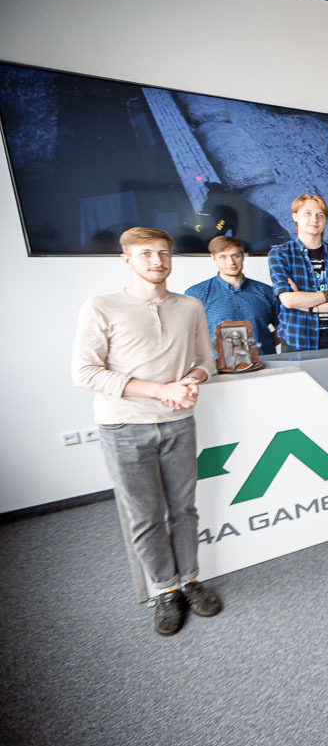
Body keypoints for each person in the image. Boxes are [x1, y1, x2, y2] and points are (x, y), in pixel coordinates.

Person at [72, 227, 220, 636]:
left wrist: (192, 379)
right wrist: (160, 389)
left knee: (183, 509)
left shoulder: (190, 306)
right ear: (127, 260)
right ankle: (164, 590)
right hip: (124, 426)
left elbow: (206, 360)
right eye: (146, 254)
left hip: (178, 423)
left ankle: (189, 580)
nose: (158, 260)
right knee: (145, 516)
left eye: (164, 253)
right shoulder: (101, 307)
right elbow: (85, 372)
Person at [268, 193, 328, 352]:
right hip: (297, 341)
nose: (314, 219)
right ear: (295, 216)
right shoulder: (280, 254)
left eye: (320, 215)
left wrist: (307, 304)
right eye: (308, 213)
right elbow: (289, 300)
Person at [186, 235, 279, 357]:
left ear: (242, 256)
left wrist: (264, 345)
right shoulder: (196, 294)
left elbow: (282, 328)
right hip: (217, 365)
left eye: (235, 255)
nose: (231, 262)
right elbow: (187, 334)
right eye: (223, 257)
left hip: (262, 362)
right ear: (213, 258)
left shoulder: (267, 292)